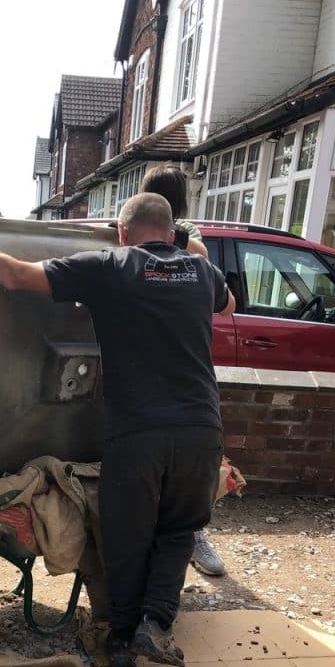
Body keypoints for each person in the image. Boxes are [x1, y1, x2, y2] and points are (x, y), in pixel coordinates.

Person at [0, 196, 235, 667]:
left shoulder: (113, 265)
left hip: (139, 432)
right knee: (177, 531)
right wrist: (189, 249)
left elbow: (14, 275)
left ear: (123, 232)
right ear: (170, 230)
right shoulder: (200, 273)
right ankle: (156, 624)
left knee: (125, 535)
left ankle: (122, 638)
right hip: (201, 429)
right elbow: (228, 302)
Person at [140, 164, 227, 578]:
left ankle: (191, 534)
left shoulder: (186, 235)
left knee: (190, 463)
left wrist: (168, 234)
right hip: (143, 353)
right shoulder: (130, 223)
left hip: (180, 356)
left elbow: (203, 259)